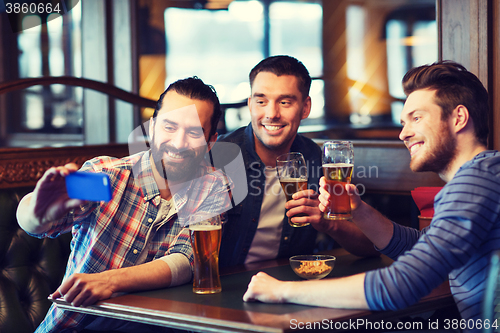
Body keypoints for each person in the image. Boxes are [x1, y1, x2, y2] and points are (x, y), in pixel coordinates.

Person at [243, 61, 500, 327]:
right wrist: (360, 210)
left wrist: (281, 291)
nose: (404, 134)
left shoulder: (475, 182)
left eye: (417, 118)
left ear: (458, 118)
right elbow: (422, 246)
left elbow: (400, 285)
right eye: (403, 122)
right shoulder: (487, 174)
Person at [16, 77, 232, 333]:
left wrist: (111, 281)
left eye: (194, 132)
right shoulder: (106, 174)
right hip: (73, 327)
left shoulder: (213, 186)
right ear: (151, 129)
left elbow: (187, 261)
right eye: (169, 127)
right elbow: (35, 222)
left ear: (211, 141)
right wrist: (37, 212)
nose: (178, 142)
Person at [218, 55, 378, 268]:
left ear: (305, 108)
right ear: (250, 105)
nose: (272, 114)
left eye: (284, 102)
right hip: (226, 285)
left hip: (291, 283)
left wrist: (327, 223)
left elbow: (371, 245)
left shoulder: (317, 160)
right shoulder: (219, 157)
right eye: (261, 101)